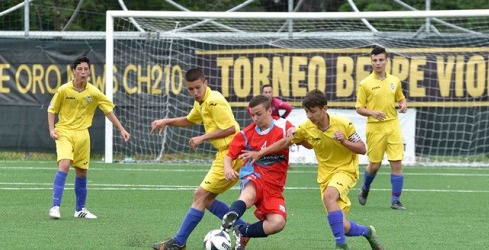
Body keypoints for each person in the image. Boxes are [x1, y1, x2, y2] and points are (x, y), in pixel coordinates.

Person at [245, 89, 384, 250]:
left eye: (312, 111)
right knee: (343, 226)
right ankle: (368, 232)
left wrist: (344, 141)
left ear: (324, 108)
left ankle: (341, 245)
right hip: (325, 176)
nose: (309, 116)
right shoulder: (306, 127)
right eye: (306, 112)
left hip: (346, 170)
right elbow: (287, 142)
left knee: (329, 196)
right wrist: (263, 151)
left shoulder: (343, 124)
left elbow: (362, 148)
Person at [151, 68, 247, 250]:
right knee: (207, 199)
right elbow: (190, 120)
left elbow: (231, 129)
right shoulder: (201, 102)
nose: (195, 92)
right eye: (190, 89)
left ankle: (178, 242)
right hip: (227, 153)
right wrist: (166, 121)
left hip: (231, 153)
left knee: (200, 195)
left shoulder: (214, 101)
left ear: (206, 83)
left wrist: (203, 137)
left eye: (198, 88)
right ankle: (243, 229)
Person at [219, 94, 310, 250]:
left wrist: (298, 135)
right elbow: (229, 157)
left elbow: (302, 143)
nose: (255, 118)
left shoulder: (283, 125)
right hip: (253, 174)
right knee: (249, 194)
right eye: (252, 114)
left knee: (277, 223)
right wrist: (227, 168)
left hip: (274, 186)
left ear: (269, 111)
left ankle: (243, 232)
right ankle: (231, 217)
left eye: (258, 114)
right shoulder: (246, 134)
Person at [47, 56, 130, 219]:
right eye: (80, 69)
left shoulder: (94, 92)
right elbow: (51, 110)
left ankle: (80, 210)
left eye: (86, 69)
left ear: (89, 72)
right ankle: (55, 207)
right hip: (64, 131)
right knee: (64, 165)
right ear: (73, 71)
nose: (83, 72)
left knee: (82, 172)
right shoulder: (64, 90)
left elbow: (108, 111)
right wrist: (52, 129)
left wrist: (121, 129)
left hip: (83, 135)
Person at [355, 46, 408, 210]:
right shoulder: (365, 84)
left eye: (381, 60)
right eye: (375, 60)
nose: (378, 63)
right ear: (371, 62)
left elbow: (401, 98)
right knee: (375, 165)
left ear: (386, 61)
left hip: (393, 125)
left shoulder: (395, 81)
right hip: (375, 128)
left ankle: (395, 200)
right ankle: (365, 187)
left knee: (396, 162)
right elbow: (359, 108)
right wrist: (372, 112)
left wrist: (403, 104)